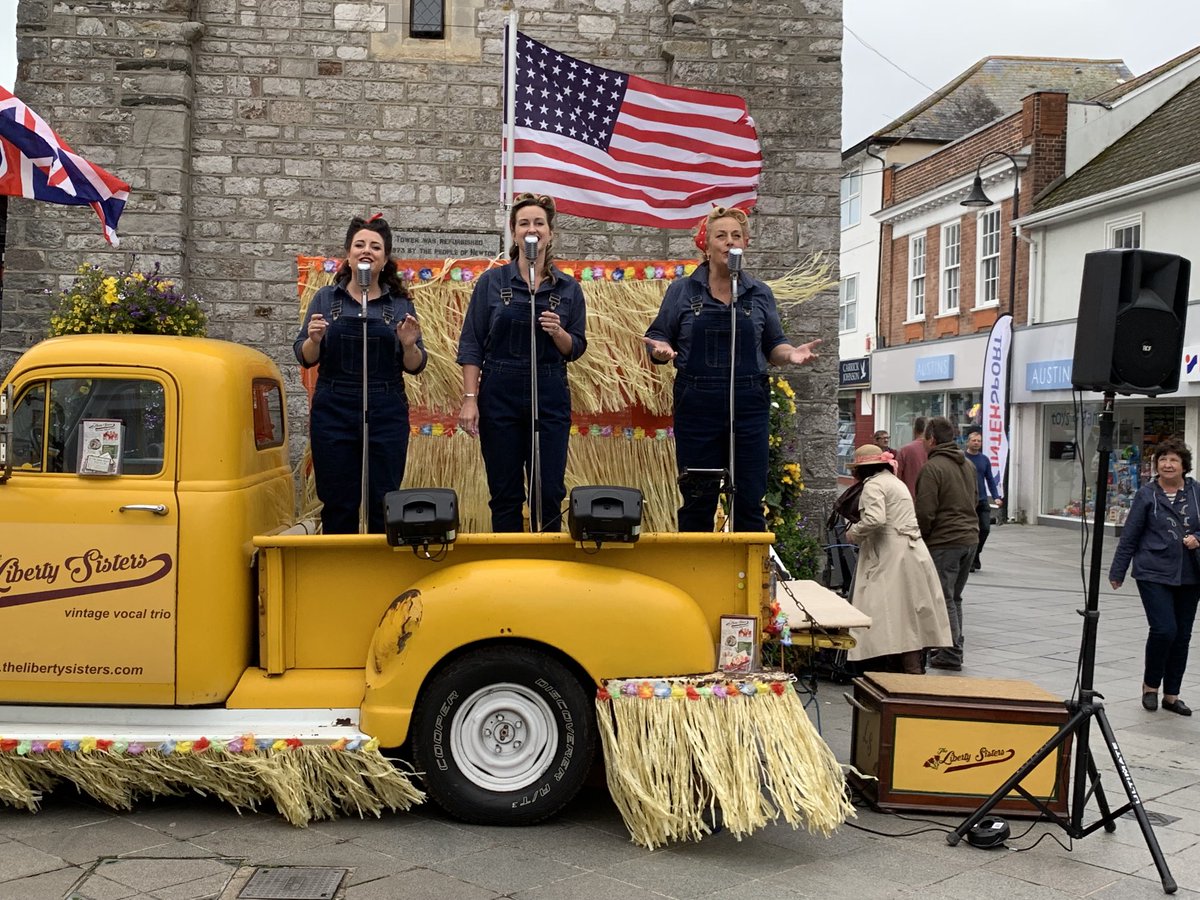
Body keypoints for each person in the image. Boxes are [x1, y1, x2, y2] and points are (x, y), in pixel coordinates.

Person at [644, 206, 821, 531]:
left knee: (749, 503)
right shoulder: (682, 291)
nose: (729, 242)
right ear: (706, 244)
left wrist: (791, 354)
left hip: (749, 406)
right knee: (698, 502)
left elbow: (774, 346)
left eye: (736, 236)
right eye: (721, 236)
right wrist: (660, 350)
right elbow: (657, 336)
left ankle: (746, 579)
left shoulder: (759, 293)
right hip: (697, 405)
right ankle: (694, 579)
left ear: (746, 243)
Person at [456, 193, 587, 532]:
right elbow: (472, 343)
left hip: (549, 390)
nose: (532, 229)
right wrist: (470, 400)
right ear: (513, 233)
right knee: (504, 492)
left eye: (539, 223)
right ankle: (508, 570)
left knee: (548, 491)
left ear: (550, 233)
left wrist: (558, 333)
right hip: (499, 391)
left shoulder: (569, 288)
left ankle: (547, 570)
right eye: (524, 223)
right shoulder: (492, 282)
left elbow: (576, 347)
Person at [295, 214, 427, 534]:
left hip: (385, 406)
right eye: (360, 244)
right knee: (339, 500)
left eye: (376, 246)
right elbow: (304, 356)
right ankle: (341, 575)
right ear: (348, 254)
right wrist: (314, 340)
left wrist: (409, 345)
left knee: (383, 497)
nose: (367, 250)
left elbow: (415, 364)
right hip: (334, 406)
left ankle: (380, 574)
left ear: (384, 259)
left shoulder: (399, 304)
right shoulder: (327, 298)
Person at [1109, 438, 1200, 717]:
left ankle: (1172, 695)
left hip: (1190, 573)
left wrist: (1197, 538)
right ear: (1156, 465)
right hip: (1153, 571)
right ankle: (1151, 687)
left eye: (1173, 460)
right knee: (1164, 630)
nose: (1168, 464)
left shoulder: (1197, 492)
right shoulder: (1147, 494)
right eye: (1162, 460)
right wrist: (1118, 570)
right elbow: (1131, 533)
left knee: (1182, 636)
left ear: (1184, 465)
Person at [845, 444, 952, 674]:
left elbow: (875, 519)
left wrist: (854, 532)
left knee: (884, 613)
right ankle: (912, 669)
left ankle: (884, 669)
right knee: (910, 613)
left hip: (889, 553)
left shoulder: (873, 485)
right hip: (913, 550)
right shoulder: (896, 482)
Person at [915, 416, 979, 671]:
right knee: (955, 597)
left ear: (931, 439)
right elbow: (975, 499)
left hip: (945, 539)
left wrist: (923, 536)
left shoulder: (933, 468)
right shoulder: (968, 465)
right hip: (969, 537)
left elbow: (925, 511)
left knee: (944, 598)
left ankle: (951, 652)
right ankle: (953, 646)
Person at [964, 426, 1003, 571]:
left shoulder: (984, 459)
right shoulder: (962, 458)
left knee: (985, 529)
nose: (976, 443)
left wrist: (996, 497)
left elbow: (990, 479)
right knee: (970, 531)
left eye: (979, 441)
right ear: (968, 442)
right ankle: (971, 560)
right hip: (967, 501)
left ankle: (976, 554)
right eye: (973, 440)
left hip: (982, 500)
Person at [895, 416, 928, 500]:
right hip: (931, 500)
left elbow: (896, 477)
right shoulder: (935, 450)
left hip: (908, 499)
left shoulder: (904, 451)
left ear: (914, 430)